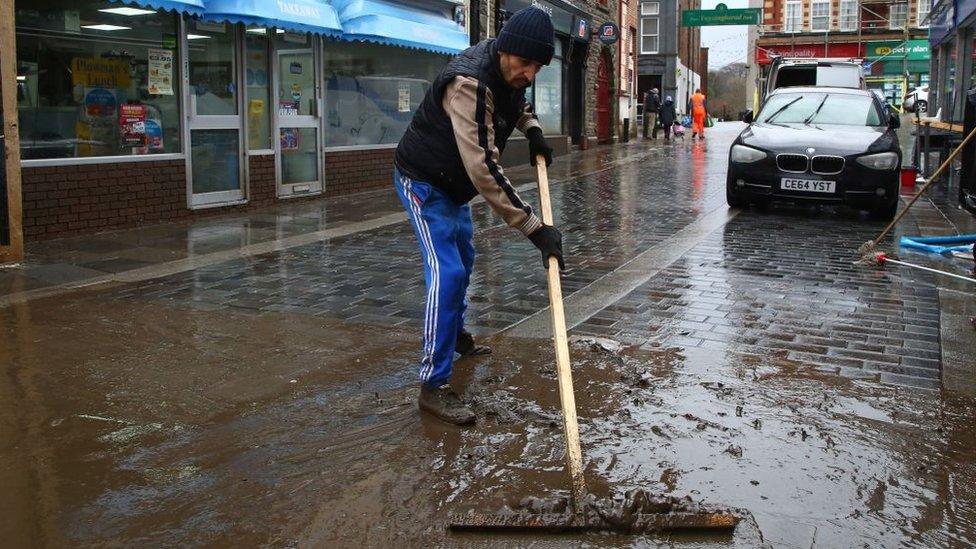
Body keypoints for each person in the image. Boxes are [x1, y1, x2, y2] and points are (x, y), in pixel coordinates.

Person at [393, 7, 565, 425]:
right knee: (447, 273)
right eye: (526, 63)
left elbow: (516, 103)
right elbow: (483, 169)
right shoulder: (469, 84)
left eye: (538, 66)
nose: (530, 73)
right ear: (507, 50)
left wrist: (533, 130)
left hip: (453, 187)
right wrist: (533, 227)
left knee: (465, 261)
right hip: (424, 183)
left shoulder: (507, 70)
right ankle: (432, 386)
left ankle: (454, 334)